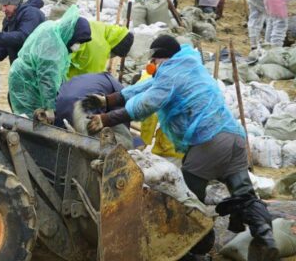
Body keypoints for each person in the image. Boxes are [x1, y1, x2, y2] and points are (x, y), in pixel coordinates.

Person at [87, 35, 279, 260]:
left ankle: (189, 253)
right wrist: (108, 100)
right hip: (234, 139)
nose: (153, 66)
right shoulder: (189, 66)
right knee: (245, 194)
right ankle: (267, 238)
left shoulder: (169, 71)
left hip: (209, 143)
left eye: (154, 61)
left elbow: (148, 102)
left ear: (160, 58)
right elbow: (148, 87)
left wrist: (106, 119)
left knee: (185, 202)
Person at [8, 7, 92, 117]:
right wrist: (50, 107)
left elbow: (56, 74)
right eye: (77, 41)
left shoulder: (54, 29)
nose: (77, 45)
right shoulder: (53, 45)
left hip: (26, 76)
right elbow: (47, 79)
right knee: (30, 121)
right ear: (71, 33)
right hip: (26, 83)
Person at [67, 19, 133, 79]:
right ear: (115, 48)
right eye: (115, 54)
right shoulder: (100, 48)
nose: (112, 57)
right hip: (66, 81)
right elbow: (92, 78)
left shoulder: (100, 26)